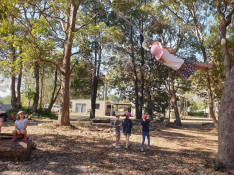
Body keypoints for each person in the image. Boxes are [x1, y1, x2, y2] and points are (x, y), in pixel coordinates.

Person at [142, 38, 213, 80]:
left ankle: (204, 68)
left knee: (193, 67)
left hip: (177, 67)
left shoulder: (160, 59)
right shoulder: (164, 50)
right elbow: (173, 51)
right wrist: (166, 47)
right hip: (179, 62)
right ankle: (207, 66)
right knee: (194, 64)